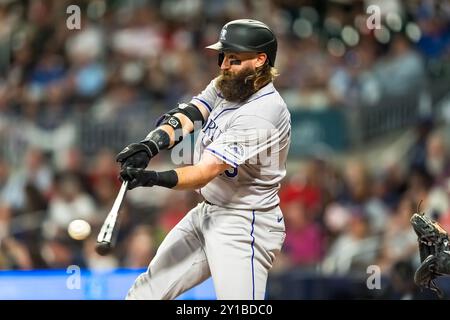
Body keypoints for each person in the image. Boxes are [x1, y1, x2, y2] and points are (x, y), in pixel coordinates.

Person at [117, 19, 291, 300]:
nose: (223, 65)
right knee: (144, 294)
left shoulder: (263, 111)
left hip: (245, 222)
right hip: (208, 212)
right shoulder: (232, 83)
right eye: (223, 56)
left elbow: (205, 171)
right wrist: (150, 145)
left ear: (260, 60)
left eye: (233, 59)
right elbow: (190, 114)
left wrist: (152, 178)